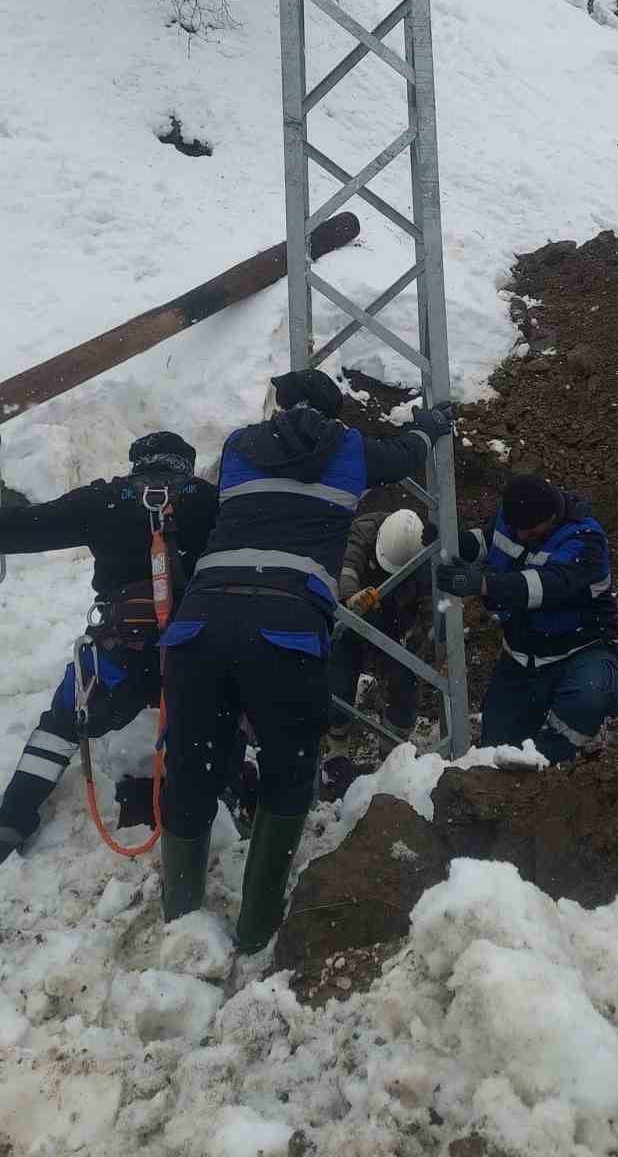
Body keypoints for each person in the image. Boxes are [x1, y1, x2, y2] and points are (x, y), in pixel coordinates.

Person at [159, 369, 452, 951]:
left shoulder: (239, 446)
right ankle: (257, 927)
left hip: (203, 621)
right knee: (288, 771)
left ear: (280, 405)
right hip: (284, 630)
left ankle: (180, 918)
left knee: (192, 765)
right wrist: (430, 426)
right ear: (336, 414)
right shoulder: (351, 450)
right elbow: (408, 453)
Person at [0, 432, 217, 863]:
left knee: (61, 724)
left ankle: (12, 817)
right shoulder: (212, 500)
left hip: (122, 657)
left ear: (137, 464)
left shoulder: (104, 499)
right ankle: (217, 802)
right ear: (185, 467)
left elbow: (21, 531)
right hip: (195, 654)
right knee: (214, 727)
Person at [437, 474, 618, 763]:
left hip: (580, 651)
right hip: (523, 655)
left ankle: (554, 762)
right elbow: (489, 541)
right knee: (494, 752)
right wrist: (449, 542)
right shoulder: (514, 518)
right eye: (517, 528)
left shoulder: (585, 540)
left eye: (530, 529)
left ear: (552, 516)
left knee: (589, 694)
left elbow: (548, 585)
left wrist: (484, 585)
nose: (522, 535)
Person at [325, 507, 432, 788]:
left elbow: (433, 609)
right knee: (340, 661)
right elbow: (346, 564)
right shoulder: (364, 530)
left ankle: (393, 752)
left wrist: (421, 646)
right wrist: (350, 597)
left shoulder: (427, 551)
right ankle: (336, 746)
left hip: (400, 618)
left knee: (406, 678)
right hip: (359, 608)